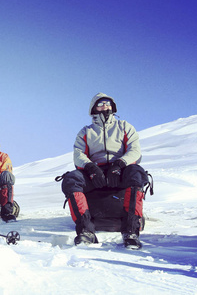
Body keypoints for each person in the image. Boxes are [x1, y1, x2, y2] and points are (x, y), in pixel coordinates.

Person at [61, 93, 148, 248]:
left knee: (137, 173)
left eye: (108, 103)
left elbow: (135, 151)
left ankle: (131, 231)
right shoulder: (86, 132)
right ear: (93, 108)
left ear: (112, 107)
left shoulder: (124, 127)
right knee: (71, 179)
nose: (105, 107)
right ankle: (85, 231)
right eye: (100, 104)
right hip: (95, 172)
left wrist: (119, 164)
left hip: (121, 170)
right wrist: (91, 168)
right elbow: (78, 154)